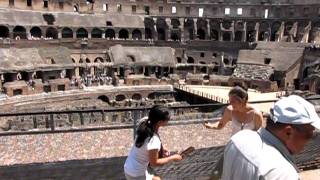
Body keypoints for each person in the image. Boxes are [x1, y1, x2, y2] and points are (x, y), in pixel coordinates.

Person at [222, 95, 320, 180]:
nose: (309, 140)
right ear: (288, 132)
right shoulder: (283, 173)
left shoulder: (239, 138)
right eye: (309, 134)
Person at [124, 105, 183, 180]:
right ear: (160, 122)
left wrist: (161, 148)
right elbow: (154, 163)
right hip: (136, 174)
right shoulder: (154, 140)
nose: (168, 120)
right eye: (167, 119)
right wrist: (172, 158)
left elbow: (146, 145)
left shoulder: (144, 122)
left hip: (130, 166)